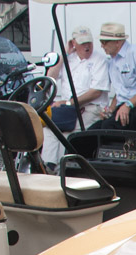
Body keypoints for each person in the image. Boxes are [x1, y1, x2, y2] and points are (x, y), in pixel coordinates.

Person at [41, 26, 110, 167]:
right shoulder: (68, 59)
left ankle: (62, 168)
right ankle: (48, 166)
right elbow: (50, 79)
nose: (87, 47)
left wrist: (68, 102)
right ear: (74, 43)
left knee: (67, 132)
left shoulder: (99, 60)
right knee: (49, 127)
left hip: (89, 109)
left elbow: (96, 91)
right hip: (69, 110)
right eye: (83, 43)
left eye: (89, 43)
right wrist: (64, 53)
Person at [90, 22, 136, 131]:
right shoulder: (112, 61)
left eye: (104, 42)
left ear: (117, 42)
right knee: (90, 133)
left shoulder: (135, 52)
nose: (102, 46)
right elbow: (121, 91)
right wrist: (110, 110)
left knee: (108, 128)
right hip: (124, 106)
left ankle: (119, 148)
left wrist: (128, 105)